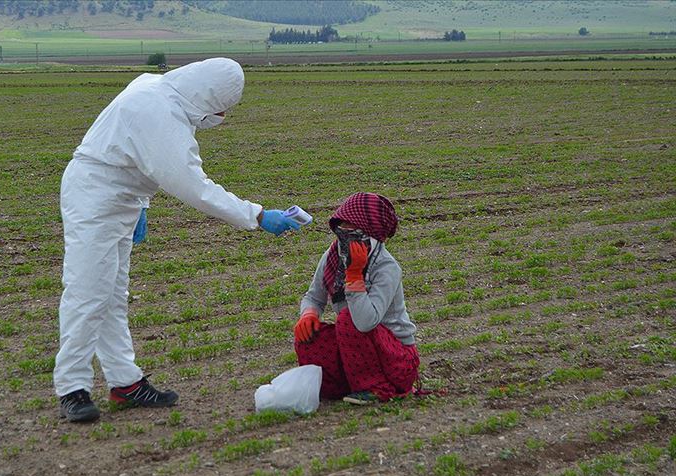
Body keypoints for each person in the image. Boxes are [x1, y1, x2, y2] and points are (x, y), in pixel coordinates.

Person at [55, 58, 301, 422]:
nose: (220, 117)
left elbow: (134, 155)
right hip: (97, 197)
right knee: (87, 292)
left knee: (111, 294)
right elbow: (192, 186)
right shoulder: (161, 111)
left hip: (117, 195)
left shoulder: (157, 90)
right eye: (221, 109)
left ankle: (125, 382)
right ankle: (71, 388)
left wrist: (139, 204)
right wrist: (258, 215)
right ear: (208, 96)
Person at [293, 192, 419, 405]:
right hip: (358, 351)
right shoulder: (332, 255)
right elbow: (314, 297)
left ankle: (378, 388)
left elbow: (365, 321)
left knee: (348, 320)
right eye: (342, 229)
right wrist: (309, 314)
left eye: (355, 232)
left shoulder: (386, 268)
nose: (346, 238)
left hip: (396, 359)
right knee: (310, 337)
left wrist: (354, 277)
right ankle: (346, 385)